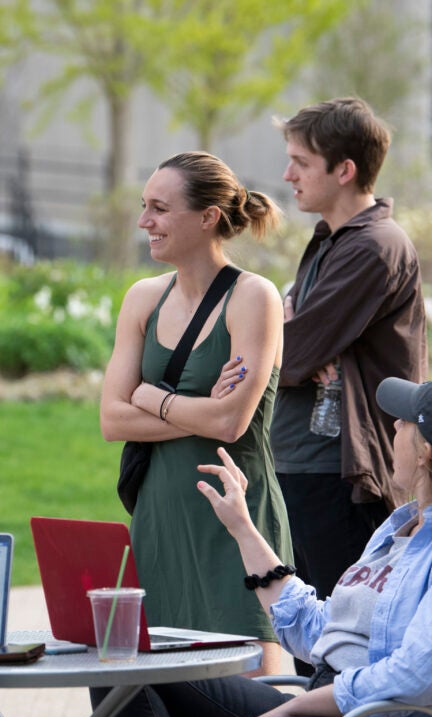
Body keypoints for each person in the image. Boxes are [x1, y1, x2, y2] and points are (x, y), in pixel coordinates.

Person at [109, 376, 432, 717]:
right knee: (125, 674)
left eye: (405, 421)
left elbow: (416, 676)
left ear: (427, 448)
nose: (392, 427)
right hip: (327, 711)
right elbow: (318, 629)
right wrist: (242, 528)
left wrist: (297, 706)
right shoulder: (398, 529)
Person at [99, 151, 292, 674]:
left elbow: (231, 424)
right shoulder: (142, 298)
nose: (145, 222)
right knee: (161, 695)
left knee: (255, 703)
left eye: (159, 208)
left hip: (234, 523)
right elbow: (112, 420)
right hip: (159, 520)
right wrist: (199, 407)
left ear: (207, 217)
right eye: (144, 207)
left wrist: (151, 396)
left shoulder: (254, 297)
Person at [271, 97, 426, 622]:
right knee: (305, 630)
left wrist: (287, 336)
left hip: (339, 471)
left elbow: (288, 352)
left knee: (338, 637)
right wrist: (287, 335)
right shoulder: (328, 241)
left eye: (302, 162)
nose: (287, 174)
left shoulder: (373, 247)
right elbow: (288, 344)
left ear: (345, 170)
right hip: (301, 461)